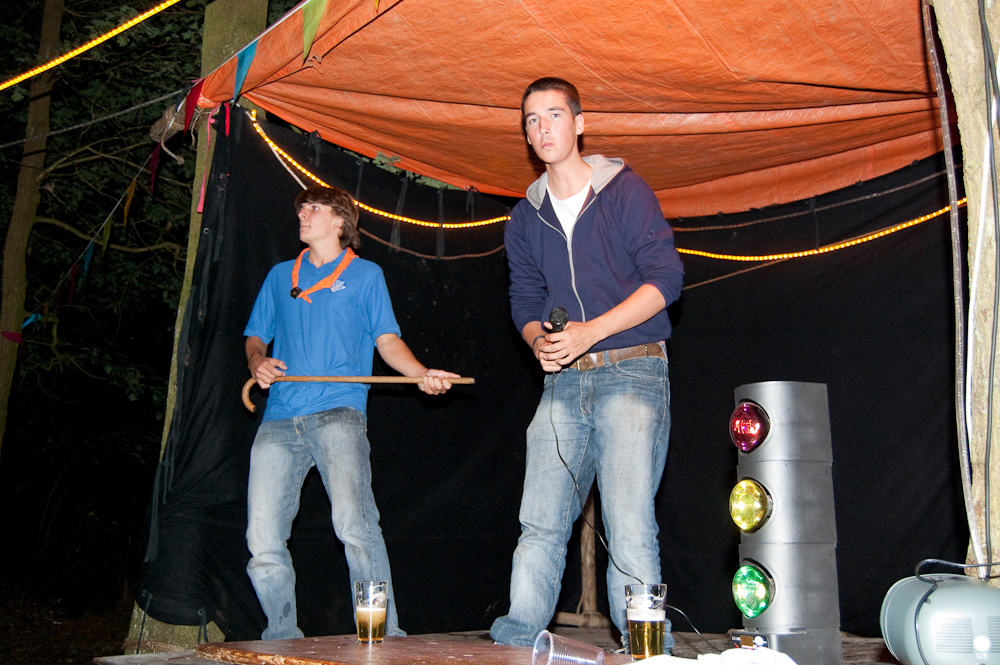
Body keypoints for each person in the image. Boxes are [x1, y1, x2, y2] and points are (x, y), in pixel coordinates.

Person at [490, 78, 685, 651]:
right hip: (563, 382)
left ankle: (646, 647)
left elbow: (666, 280)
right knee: (540, 521)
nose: (542, 127)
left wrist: (591, 332)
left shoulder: (624, 191)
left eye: (554, 114)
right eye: (531, 119)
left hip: (632, 371)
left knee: (629, 522)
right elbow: (524, 300)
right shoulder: (525, 218)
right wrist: (539, 343)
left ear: (579, 124)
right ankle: (517, 642)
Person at [243, 184, 458, 640]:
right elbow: (256, 336)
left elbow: (387, 341)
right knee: (262, 539)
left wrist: (421, 374)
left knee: (355, 528)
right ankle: (281, 637)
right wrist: (257, 360)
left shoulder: (366, 275)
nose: (302, 214)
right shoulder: (280, 275)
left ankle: (379, 633)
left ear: (339, 221)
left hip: (338, 413)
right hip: (279, 418)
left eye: (313, 208)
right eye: (300, 208)